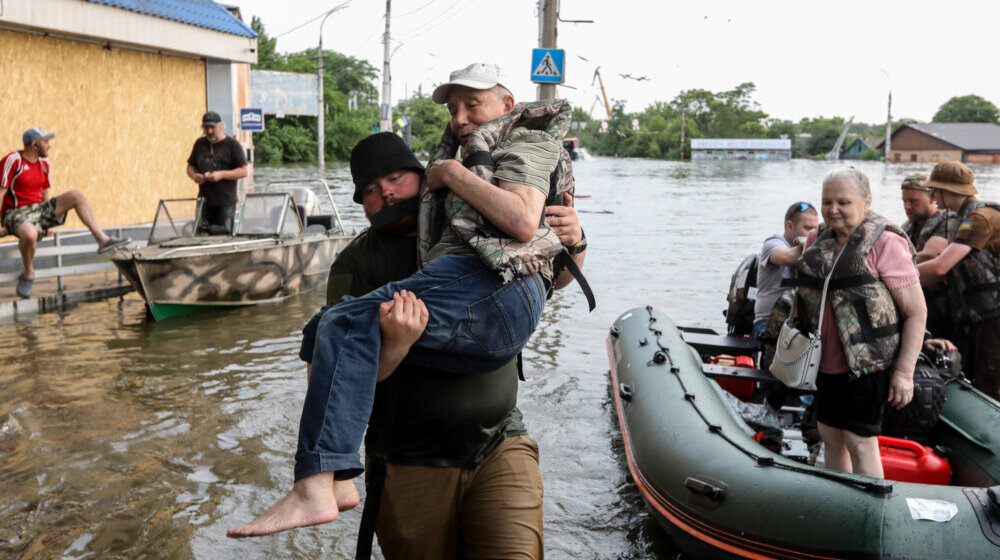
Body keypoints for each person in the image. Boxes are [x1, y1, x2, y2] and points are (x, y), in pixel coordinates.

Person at [228, 63, 583, 540]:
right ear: (362, 205)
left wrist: (576, 241)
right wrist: (394, 345)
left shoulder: (466, 196)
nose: (387, 192)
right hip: (410, 454)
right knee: (326, 328)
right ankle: (332, 477)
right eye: (371, 191)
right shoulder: (358, 260)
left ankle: (320, 482)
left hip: (499, 439)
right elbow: (343, 371)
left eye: (396, 178)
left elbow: (544, 268)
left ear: (422, 177)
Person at [785, 167, 925, 478]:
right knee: (830, 435)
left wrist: (904, 373)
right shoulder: (815, 238)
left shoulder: (886, 242)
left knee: (860, 440)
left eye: (844, 202)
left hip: (868, 365)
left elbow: (917, 312)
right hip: (824, 362)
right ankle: (841, 504)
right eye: (827, 202)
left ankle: (870, 508)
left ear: (867, 201)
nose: (833, 210)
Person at [1, 127, 131, 298]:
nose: (49, 145)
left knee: (77, 195)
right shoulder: (13, 160)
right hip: (15, 212)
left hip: (38, 210)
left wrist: (45, 222)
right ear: (34, 144)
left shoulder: (44, 163)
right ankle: (28, 272)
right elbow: (1, 193)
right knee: (31, 234)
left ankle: (103, 240)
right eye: (46, 142)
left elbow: (44, 195)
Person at [916, 161, 1000, 400]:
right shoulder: (966, 217)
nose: (933, 195)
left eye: (935, 190)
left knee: (989, 385)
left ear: (948, 190)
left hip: (992, 316)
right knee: (974, 378)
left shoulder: (978, 219)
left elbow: (941, 266)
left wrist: (896, 276)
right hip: (979, 315)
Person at [752, 201, 819, 354]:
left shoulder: (813, 250)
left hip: (796, 326)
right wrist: (817, 241)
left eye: (816, 229)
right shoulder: (772, 243)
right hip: (766, 323)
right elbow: (787, 258)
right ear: (789, 226)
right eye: (808, 228)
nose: (813, 234)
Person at [899, 172, 957, 340]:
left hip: (943, 309)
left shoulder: (947, 221)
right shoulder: (908, 226)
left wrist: (891, 266)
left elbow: (930, 255)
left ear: (932, 198)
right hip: (917, 304)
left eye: (913, 201)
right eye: (904, 201)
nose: (907, 206)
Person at [185, 111, 248, 235]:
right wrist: (195, 176)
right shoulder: (199, 144)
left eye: (212, 128)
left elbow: (244, 171)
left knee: (223, 235)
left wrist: (222, 175)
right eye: (206, 128)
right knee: (200, 234)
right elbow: (190, 167)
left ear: (221, 127)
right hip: (203, 201)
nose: (209, 131)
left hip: (225, 201)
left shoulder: (232, 145)